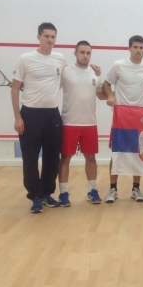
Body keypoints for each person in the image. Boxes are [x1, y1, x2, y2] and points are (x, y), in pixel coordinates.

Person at [11, 22, 68, 213]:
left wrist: (91, 68)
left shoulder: (60, 59)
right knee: (30, 158)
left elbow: (72, 75)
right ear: (39, 37)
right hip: (30, 114)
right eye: (46, 36)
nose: (50, 39)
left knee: (52, 158)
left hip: (52, 115)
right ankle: (35, 196)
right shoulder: (25, 59)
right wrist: (17, 117)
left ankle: (46, 194)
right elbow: (15, 89)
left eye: (53, 36)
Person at [103, 35, 143, 203]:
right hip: (120, 118)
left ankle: (136, 189)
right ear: (129, 48)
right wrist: (110, 96)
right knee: (116, 154)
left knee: (139, 154)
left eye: (141, 48)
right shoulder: (118, 65)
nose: (138, 50)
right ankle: (112, 189)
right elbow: (106, 83)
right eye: (135, 47)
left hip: (140, 119)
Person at [57, 41, 107, 206]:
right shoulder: (65, 72)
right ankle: (63, 193)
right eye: (82, 52)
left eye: (88, 53)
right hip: (69, 123)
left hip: (90, 123)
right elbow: (50, 86)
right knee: (65, 158)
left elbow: (102, 95)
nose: (85, 56)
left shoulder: (94, 73)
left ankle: (92, 191)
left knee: (91, 158)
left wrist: (116, 93)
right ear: (75, 53)